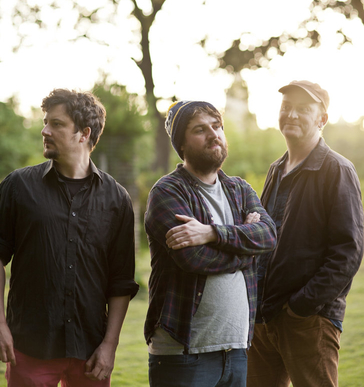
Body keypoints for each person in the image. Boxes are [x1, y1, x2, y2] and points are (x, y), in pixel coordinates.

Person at [0, 89, 139, 387]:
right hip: (29, 345)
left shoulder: (117, 199)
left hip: (91, 353)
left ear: (83, 133)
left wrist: (110, 346)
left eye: (56, 124)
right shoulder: (17, 187)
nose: (45, 130)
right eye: (46, 122)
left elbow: (121, 281)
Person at [144, 100, 277, 387]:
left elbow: (268, 235)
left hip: (237, 348)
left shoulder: (239, 189)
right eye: (200, 130)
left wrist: (212, 233)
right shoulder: (167, 191)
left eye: (217, 126)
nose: (213, 134)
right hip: (183, 353)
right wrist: (246, 250)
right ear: (182, 144)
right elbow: (193, 258)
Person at [247, 80, 364, 387]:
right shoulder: (276, 169)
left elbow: (348, 252)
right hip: (263, 317)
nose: (292, 115)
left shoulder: (337, 169)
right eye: (286, 108)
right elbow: (266, 238)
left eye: (303, 109)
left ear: (321, 119)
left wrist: (301, 307)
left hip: (308, 320)